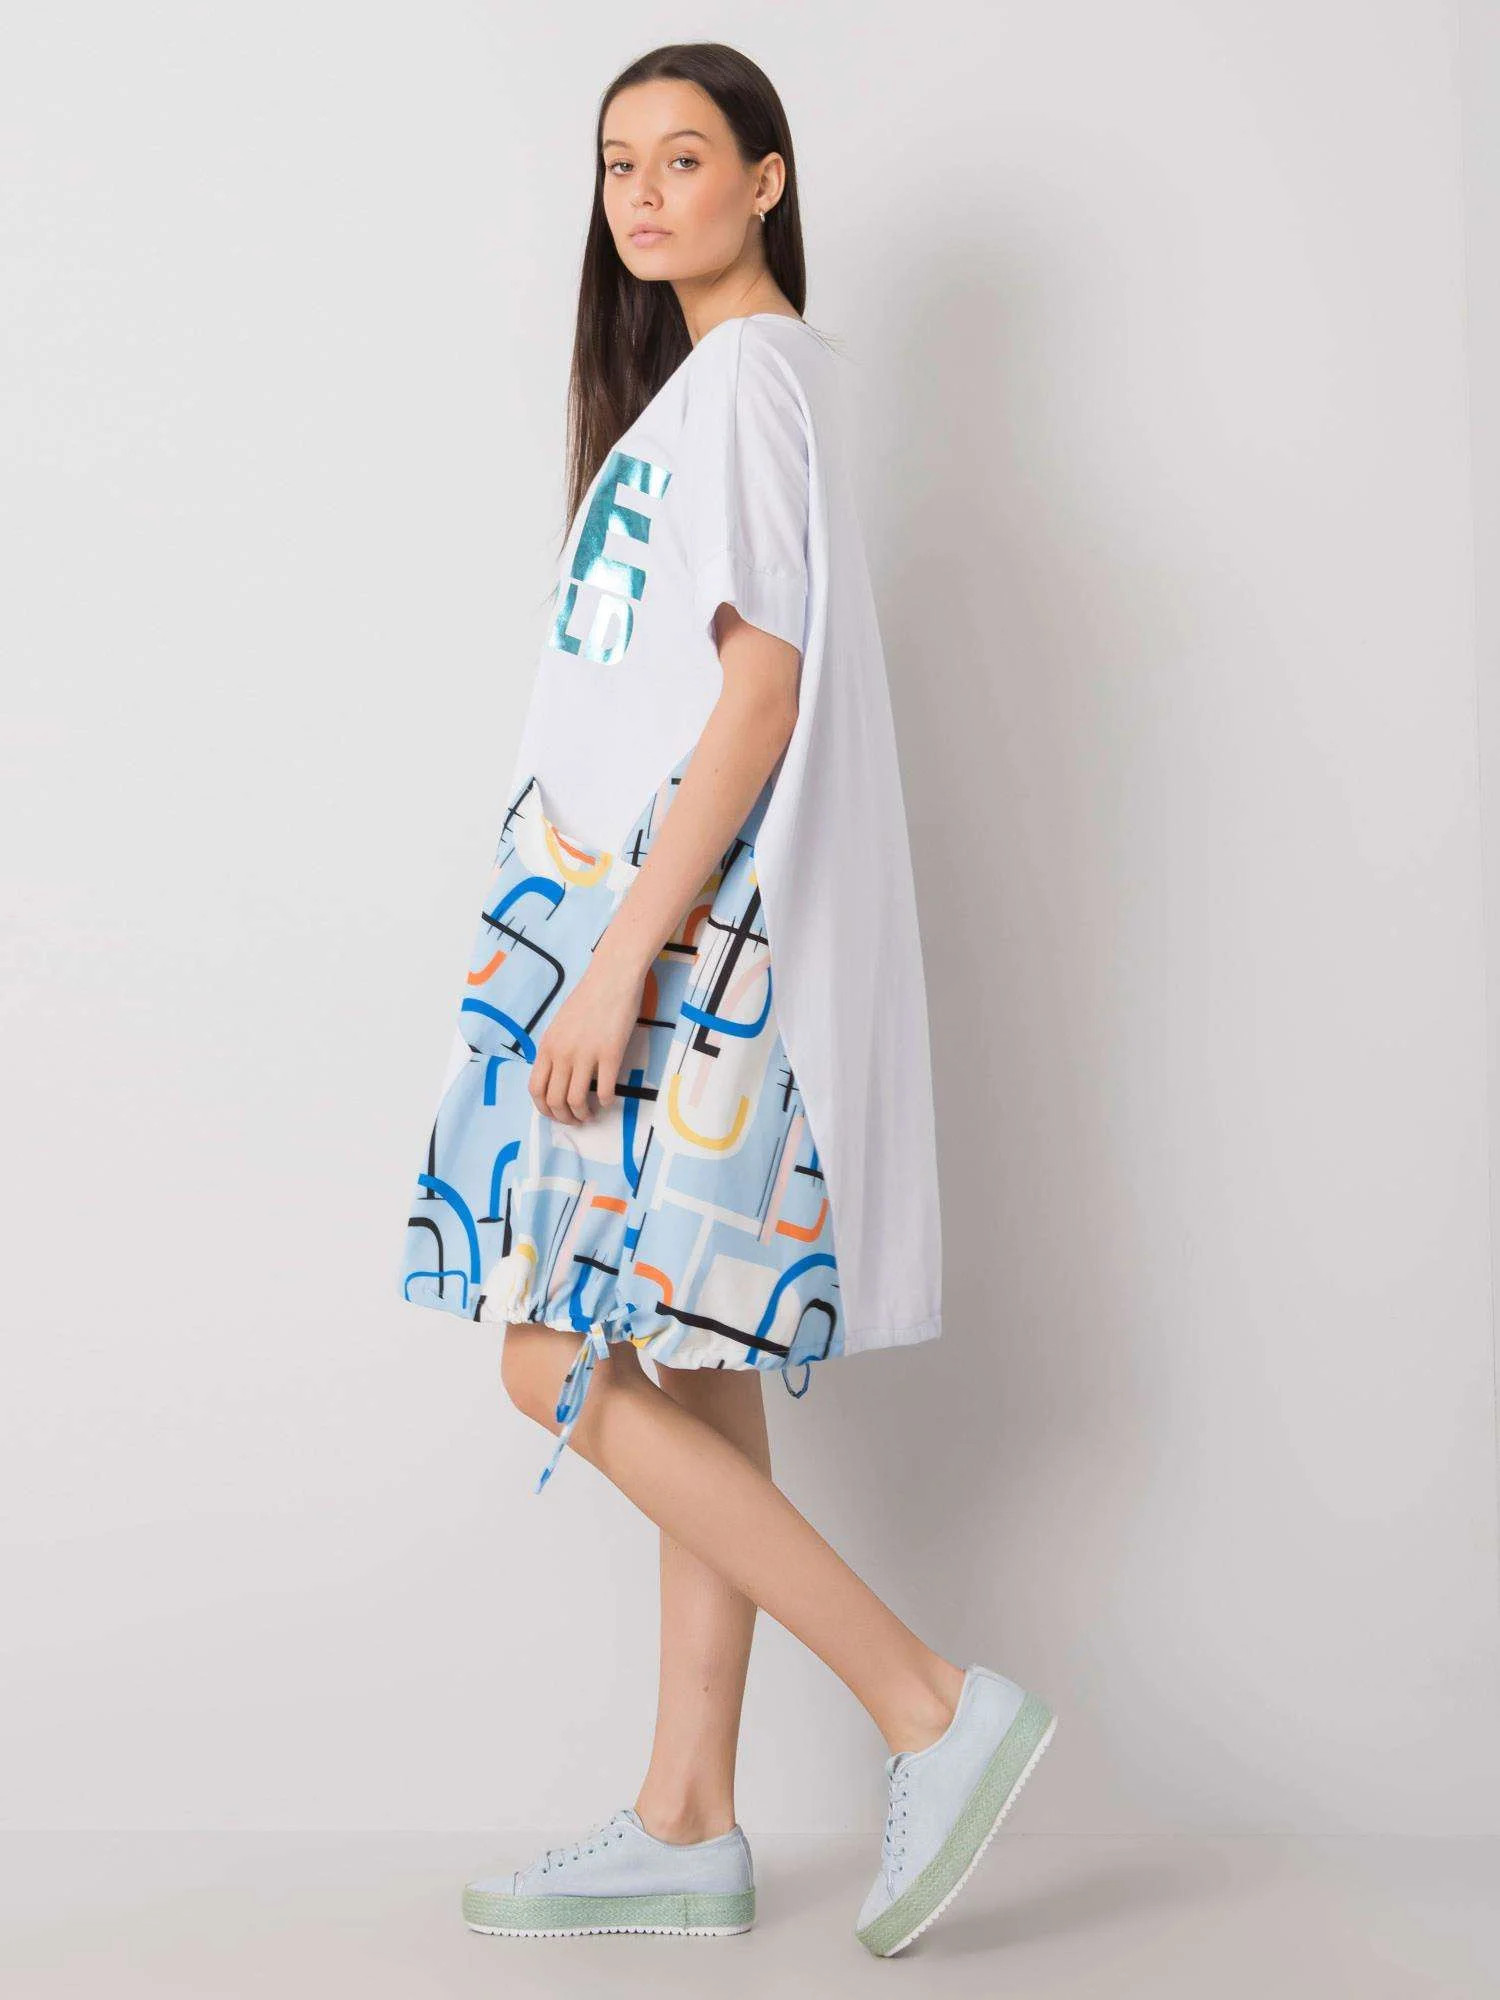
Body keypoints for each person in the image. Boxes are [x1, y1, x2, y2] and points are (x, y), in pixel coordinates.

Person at [396, 41, 1056, 1958]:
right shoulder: (707, 392)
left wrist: (618, 957)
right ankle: (689, 1817)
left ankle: (927, 1700)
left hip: (665, 935)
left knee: (549, 1352)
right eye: (619, 162)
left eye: (685, 157)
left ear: (768, 179)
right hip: (638, 916)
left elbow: (760, 688)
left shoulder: (754, 374)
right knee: (682, 1361)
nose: (643, 191)